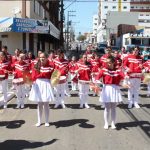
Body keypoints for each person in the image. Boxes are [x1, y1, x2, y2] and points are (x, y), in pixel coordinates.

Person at [96, 56, 125, 129]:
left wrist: (125, 82)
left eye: (109, 62)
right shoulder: (103, 70)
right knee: (107, 108)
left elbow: (124, 76)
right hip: (107, 89)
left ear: (113, 62)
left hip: (115, 89)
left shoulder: (117, 70)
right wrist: (98, 84)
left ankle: (113, 123)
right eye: (107, 62)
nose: (107, 64)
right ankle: (106, 123)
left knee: (114, 108)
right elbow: (97, 78)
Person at [29, 52, 54, 127]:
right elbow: (33, 75)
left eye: (43, 57)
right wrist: (32, 81)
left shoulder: (50, 66)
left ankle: (46, 121)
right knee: (39, 104)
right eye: (40, 57)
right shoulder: (36, 66)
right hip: (38, 84)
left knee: (46, 104)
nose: (42, 59)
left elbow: (54, 76)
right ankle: (39, 121)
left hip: (46, 84)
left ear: (46, 58)